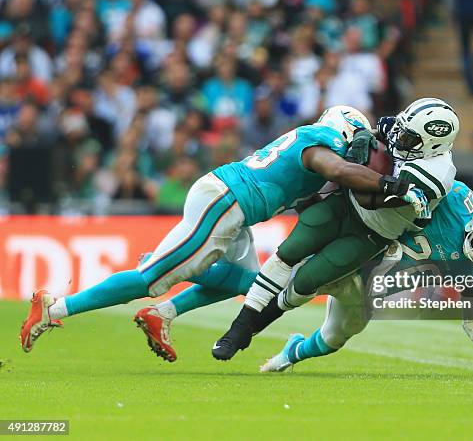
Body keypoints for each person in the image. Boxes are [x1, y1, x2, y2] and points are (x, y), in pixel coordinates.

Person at [19, 105, 423, 353]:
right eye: (361, 140)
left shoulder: (314, 141)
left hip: (235, 206)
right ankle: (55, 307)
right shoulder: (327, 140)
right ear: (348, 129)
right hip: (226, 201)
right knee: (152, 278)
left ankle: (164, 312)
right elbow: (336, 169)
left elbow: (314, 201)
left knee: (250, 285)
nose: (365, 149)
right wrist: (389, 185)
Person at [212, 97, 459, 361]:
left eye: (409, 140)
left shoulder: (436, 174)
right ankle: (238, 328)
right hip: (345, 204)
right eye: (402, 132)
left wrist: (364, 170)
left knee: (307, 280)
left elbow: (369, 198)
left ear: (434, 145)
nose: (399, 140)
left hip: (372, 233)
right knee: (290, 250)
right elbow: (379, 136)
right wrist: (364, 138)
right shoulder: (403, 132)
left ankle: (254, 326)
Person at [260, 182, 473, 372]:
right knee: (282, 285)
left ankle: (290, 353)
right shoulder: (452, 201)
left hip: (367, 291)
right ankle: (234, 308)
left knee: (333, 339)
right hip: (352, 252)